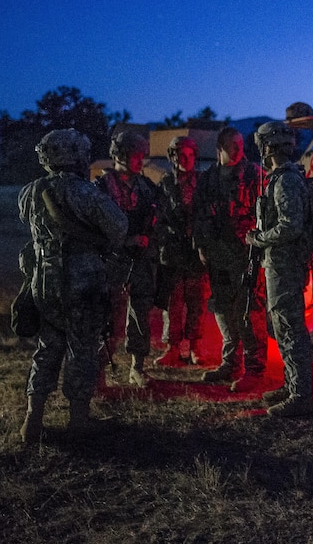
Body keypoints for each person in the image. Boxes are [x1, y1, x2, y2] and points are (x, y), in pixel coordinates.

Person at [18, 128, 128, 444]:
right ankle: (78, 419)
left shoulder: (30, 191)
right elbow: (118, 228)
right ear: (76, 155)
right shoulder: (84, 192)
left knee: (48, 347)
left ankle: (32, 420)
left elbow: (29, 225)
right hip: (83, 281)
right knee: (81, 349)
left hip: (43, 281)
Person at [245, 121, 313, 417]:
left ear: (269, 146)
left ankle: (300, 396)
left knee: (290, 329)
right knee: (282, 326)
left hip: (284, 265)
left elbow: (290, 225)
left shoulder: (286, 180)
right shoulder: (282, 177)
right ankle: (292, 386)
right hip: (280, 264)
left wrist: (258, 239)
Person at [194, 126, 267, 392]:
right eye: (231, 146)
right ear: (220, 149)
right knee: (223, 308)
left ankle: (255, 369)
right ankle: (231, 363)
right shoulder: (209, 178)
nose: (237, 151)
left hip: (246, 252)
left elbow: (266, 212)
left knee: (249, 309)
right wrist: (201, 245)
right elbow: (199, 212)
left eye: (239, 145)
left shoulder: (254, 174)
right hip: (218, 252)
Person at [95, 130, 157, 388]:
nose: (140, 161)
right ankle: (98, 373)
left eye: (142, 156)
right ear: (120, 154)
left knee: (140, 315)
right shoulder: (101, 188)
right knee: (109, 319)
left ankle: (138, 368)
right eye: (136, 155)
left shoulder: (146, 187)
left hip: (140, 261)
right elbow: (96, 228)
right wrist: (126, 241)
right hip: (112, 261)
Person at [154, 135, 207, 368]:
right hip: (174, 251)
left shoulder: (203, 183)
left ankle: (195, 347)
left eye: (190, 155)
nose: (186, 160)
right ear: (173, 157)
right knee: (173, 303)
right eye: (181, 155)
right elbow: (158, 217)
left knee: (197, 302)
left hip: (196, 251)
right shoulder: (165, 184)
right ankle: (173, 348)